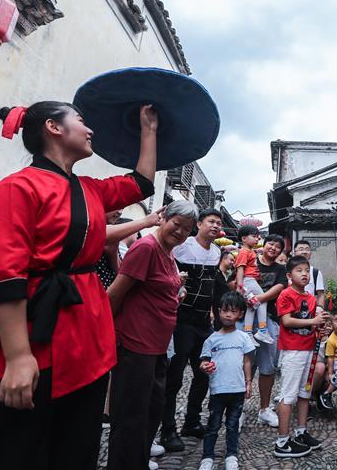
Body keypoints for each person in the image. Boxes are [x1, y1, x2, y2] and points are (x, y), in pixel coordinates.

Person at [0, 101, 156, 470]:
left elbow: (141, 182)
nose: (90, 130)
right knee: (16, 451)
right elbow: (6, 275)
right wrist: (19, 357)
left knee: (75, 449)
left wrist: (148, 129)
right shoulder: (16, 188)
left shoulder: (90, 190)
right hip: (38, 331)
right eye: (81, 121)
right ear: (54, 127)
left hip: (88, 338)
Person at [105, 200, 194, 470]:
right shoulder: (146, 248)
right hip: (134, 345)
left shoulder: (168, 253)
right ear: (164, 218)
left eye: (186, 230)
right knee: (130, 418)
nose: (180, 232)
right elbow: (114, 295)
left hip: (156, 347)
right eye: (176, 225)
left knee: (150, 413)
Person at [159, 208, 224, 451]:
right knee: (174, 378)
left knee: (204, 373)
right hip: (181, 319)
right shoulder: (182, 247)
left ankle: (192, 421)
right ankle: (167, 429)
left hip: (203, 323)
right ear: (198, 224)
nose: (215, 226)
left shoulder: (217, 252)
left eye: (218, 223)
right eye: (211, 222)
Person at [274, 256, 329, 458]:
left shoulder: (311, 298)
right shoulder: (285, 295)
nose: (304, 274)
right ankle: (282, 442)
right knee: (287, 394)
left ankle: (301, 432)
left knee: (305, 393)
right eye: (299, 270)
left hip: (309, 350)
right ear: (289, 275)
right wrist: (313, 320)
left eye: (307, 270)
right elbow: (287, 321)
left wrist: (321, 329)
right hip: (293, 351)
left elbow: (313, 325)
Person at [198, 291, 254, 470]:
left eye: (233, 311)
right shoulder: (212, 339)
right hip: (218, 390)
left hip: (237, 390)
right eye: (224, 310)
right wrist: (204, 367)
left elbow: (247, 361)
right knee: (213, 425)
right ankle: (207, 457)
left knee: (233, 425)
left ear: (241, 314)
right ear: (219, 311)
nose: (228, 314)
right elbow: (203, 362)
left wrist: (249, 382)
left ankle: (231, 455)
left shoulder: (244, 338)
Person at [252, 234, 289, 427]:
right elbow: (234, 282)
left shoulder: (281, 270)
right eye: (271, 244)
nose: (273, 248)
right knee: (244, 365)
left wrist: (259, 298)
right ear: (264, 245)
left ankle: (264, 409)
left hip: (270, 321)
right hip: (247, 320)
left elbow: (280, 287)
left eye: (278, 246)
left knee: (268, 367)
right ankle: (237, 410)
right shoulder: (250, 261)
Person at [235, 226, 274, 344]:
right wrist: (240, 285)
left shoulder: (249, 251)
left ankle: (248, 333)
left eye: (258, 237)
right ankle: (262, 330)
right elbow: (240, 268)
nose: (257, 239)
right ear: (244, 238)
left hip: (249, 281)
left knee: (252, 306)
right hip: (249, 281)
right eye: (254, 236)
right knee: (262, 300)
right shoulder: (244, 251)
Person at [292, 240, 325, 307]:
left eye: (307, 249)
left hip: (309, 310)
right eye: (301, 249)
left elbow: (320, 295)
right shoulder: (288, 270)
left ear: (310, 253)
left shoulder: (315, 272)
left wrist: (319, 309)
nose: (304, 252)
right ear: (294, 253)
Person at [211, 250, 237, 331]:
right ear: (224, 259)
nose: (233, 262)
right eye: (231, 260)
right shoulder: (215, 274)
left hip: (224, 311)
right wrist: (210, 311)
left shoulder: (228, 276)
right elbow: (210, 293)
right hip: (215, 310)